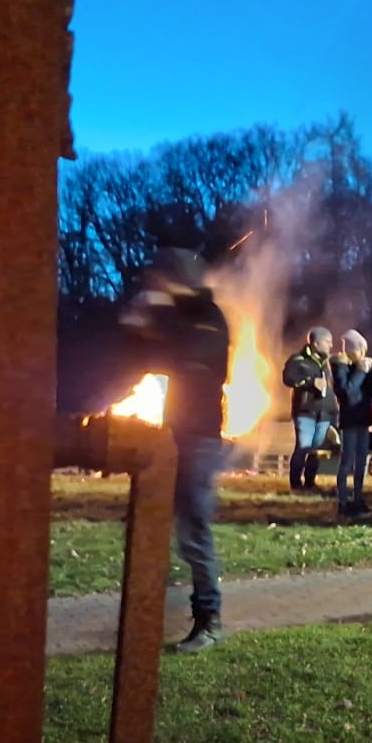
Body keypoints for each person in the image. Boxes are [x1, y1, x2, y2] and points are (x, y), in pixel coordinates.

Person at [118, 248, 232, 653]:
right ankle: (146, 612)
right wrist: (141, 328)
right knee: (155, 524)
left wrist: (156, 322)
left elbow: (192, 359)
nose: (159, 285)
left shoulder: (208, 318)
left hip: (199, 439)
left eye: (166, 278)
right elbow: (148, 359)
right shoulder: (177, 316)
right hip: (172, 434)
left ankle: (209, 620)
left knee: (193, 531)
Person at [331, 331, 372, 517]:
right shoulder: (340, 367)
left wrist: (370, 372)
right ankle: (343, 501)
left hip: (363, 418)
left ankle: (358, 498)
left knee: (362, 460)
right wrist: (361, 371)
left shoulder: (363, 367)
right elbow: (348, 391)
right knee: (347, 460)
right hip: (349, 419)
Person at [282, 326, 335, 494]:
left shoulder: (328, 363)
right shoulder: (298, 360)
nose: (331, 345)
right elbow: (288, 379)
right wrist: (311, 382)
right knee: (303, 447)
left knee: (316, 450)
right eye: (327, 341)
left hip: (324, 413)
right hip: (305, 412)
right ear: (315, 343)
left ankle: (310, 483)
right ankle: (296, 484)